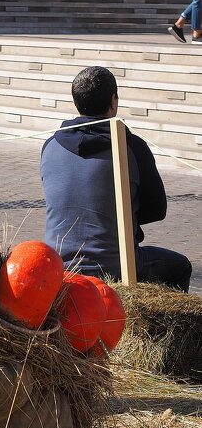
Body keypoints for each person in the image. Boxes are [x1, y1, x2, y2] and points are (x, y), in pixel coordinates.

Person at [40, 66, 191, 291]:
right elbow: (157, 210)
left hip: (59, 265)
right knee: (180, 266)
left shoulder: (50, 146)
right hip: (116, 267)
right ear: (113, 101)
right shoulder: (131, 147)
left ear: (75, 103)